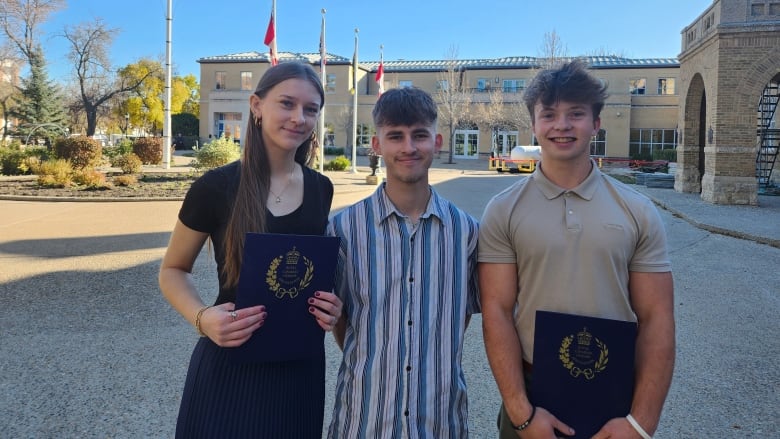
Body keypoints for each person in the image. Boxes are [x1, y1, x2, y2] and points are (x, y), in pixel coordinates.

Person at [478, 59, 675, 439]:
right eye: (548, 114)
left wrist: (640, 423)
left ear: (596, 124)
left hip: (615, 394)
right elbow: (497, 311)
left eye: (576, 114)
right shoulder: (503, 209)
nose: (562, 125)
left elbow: (657, 317)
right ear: (534, 125)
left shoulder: (636, 210)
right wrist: (521, 414)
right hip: (534, 393)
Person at [159, 61, 342, 438]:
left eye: (311, 110)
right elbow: (173, 270)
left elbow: (311, 274)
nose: (299, 118)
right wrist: (202, 319)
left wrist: (332, 306)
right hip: (231, 364)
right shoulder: (215, 187)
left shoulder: (321, 188)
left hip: (300, 371)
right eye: (287, 104)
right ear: (257, 106)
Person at [326, 87, 480, 438]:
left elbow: (463, 314)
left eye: (419, 135)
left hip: (440, 421)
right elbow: (343, 318)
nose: (409, 147)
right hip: (365, 418)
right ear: (377, 145)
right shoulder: (343, 230)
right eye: (395, 136)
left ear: (437, 141)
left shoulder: (466, 232)